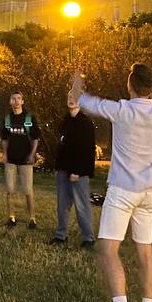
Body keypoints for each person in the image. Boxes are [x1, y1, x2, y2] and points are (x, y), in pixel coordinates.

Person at [71, 63, 152, 302]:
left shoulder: (121, 110)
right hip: (148, 193)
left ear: (129, 86)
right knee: (145, 253)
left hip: (122, 190)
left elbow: (80, 99)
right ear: (151, 87)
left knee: (108, 249)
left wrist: (77, 79)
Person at [52, 98, 96, 247]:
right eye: (69, 97)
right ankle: (61, 235)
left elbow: (87, 150)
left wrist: (78, 171)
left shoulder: (85, 122)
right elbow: (61, 146)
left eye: (75, 98)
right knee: (62, 205)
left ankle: (88, 238)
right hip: (63, 169)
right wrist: (57, 167)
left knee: (81, 205)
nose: (71, 100)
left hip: (78, 172)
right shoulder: (65, 120)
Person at [0, 91, 41, 230]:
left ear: (22, 101)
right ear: (10, 102)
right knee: (10, 189)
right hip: (11, 158)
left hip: (25, 159)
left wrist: (32, 154)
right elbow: (4, 139)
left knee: (28, 190)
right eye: (13, 98)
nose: (16, 101)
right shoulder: (7, 119)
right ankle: (11, 217)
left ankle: (32, 218)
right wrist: (4, 154)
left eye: (19, 98)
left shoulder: (29, 118)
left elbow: (35, 138)